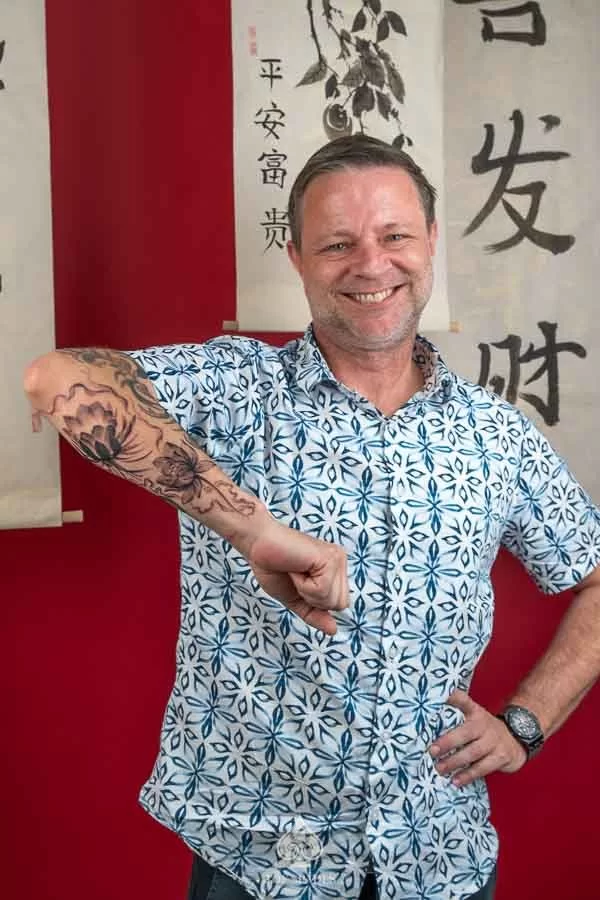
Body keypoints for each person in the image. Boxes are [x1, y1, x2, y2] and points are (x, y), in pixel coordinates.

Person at [25, 135, 600, 900]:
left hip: (439, 855)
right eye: (337, 243)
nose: (371, 264)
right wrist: (252, 528)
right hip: (261, 862)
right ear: (296, 257)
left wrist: (526, 722)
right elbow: (57, 377)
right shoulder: (237, 386)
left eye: (394, 235)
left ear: (432, 240)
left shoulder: (497, 434)